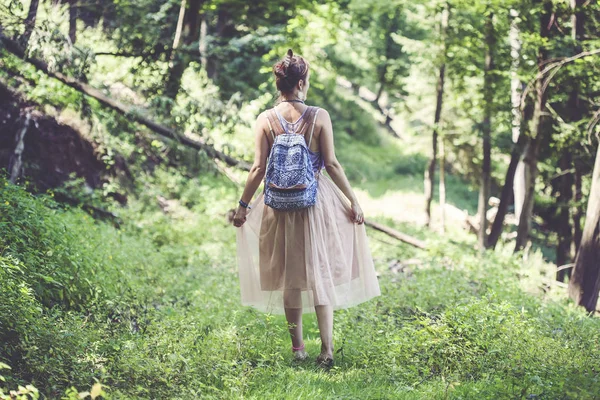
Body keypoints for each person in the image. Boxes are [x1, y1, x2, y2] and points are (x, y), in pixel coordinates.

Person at [233, 49, 380, 368]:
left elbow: (258, 168)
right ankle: (326, 350)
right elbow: (332, 164)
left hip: (279, 206)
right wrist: (353, 201)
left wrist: (243, 206)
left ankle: (298, 349)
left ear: (279, 83)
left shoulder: (265, 120)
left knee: (290, 278)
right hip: (315, 203)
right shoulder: (319, 116)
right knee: (319, 272)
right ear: (301, 83)